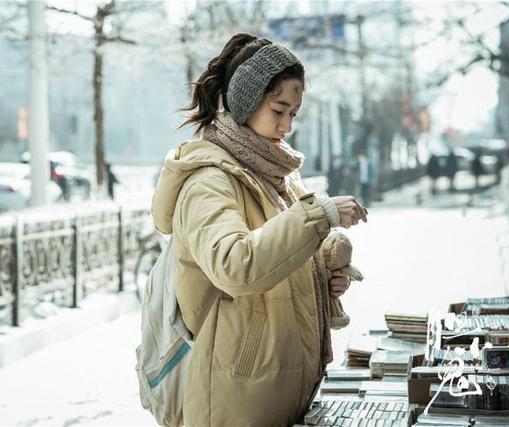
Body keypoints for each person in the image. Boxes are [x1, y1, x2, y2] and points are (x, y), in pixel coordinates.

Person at [151, 34, 368, 426]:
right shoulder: (208, 181)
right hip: (235, 403)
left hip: (274, 395)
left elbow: (281, 251)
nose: (286, 126)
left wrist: (328, 265)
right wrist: (319, 217)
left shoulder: (274, 173)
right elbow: (236, 265)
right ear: (247, 102)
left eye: (294, 114)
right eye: (278, 109)